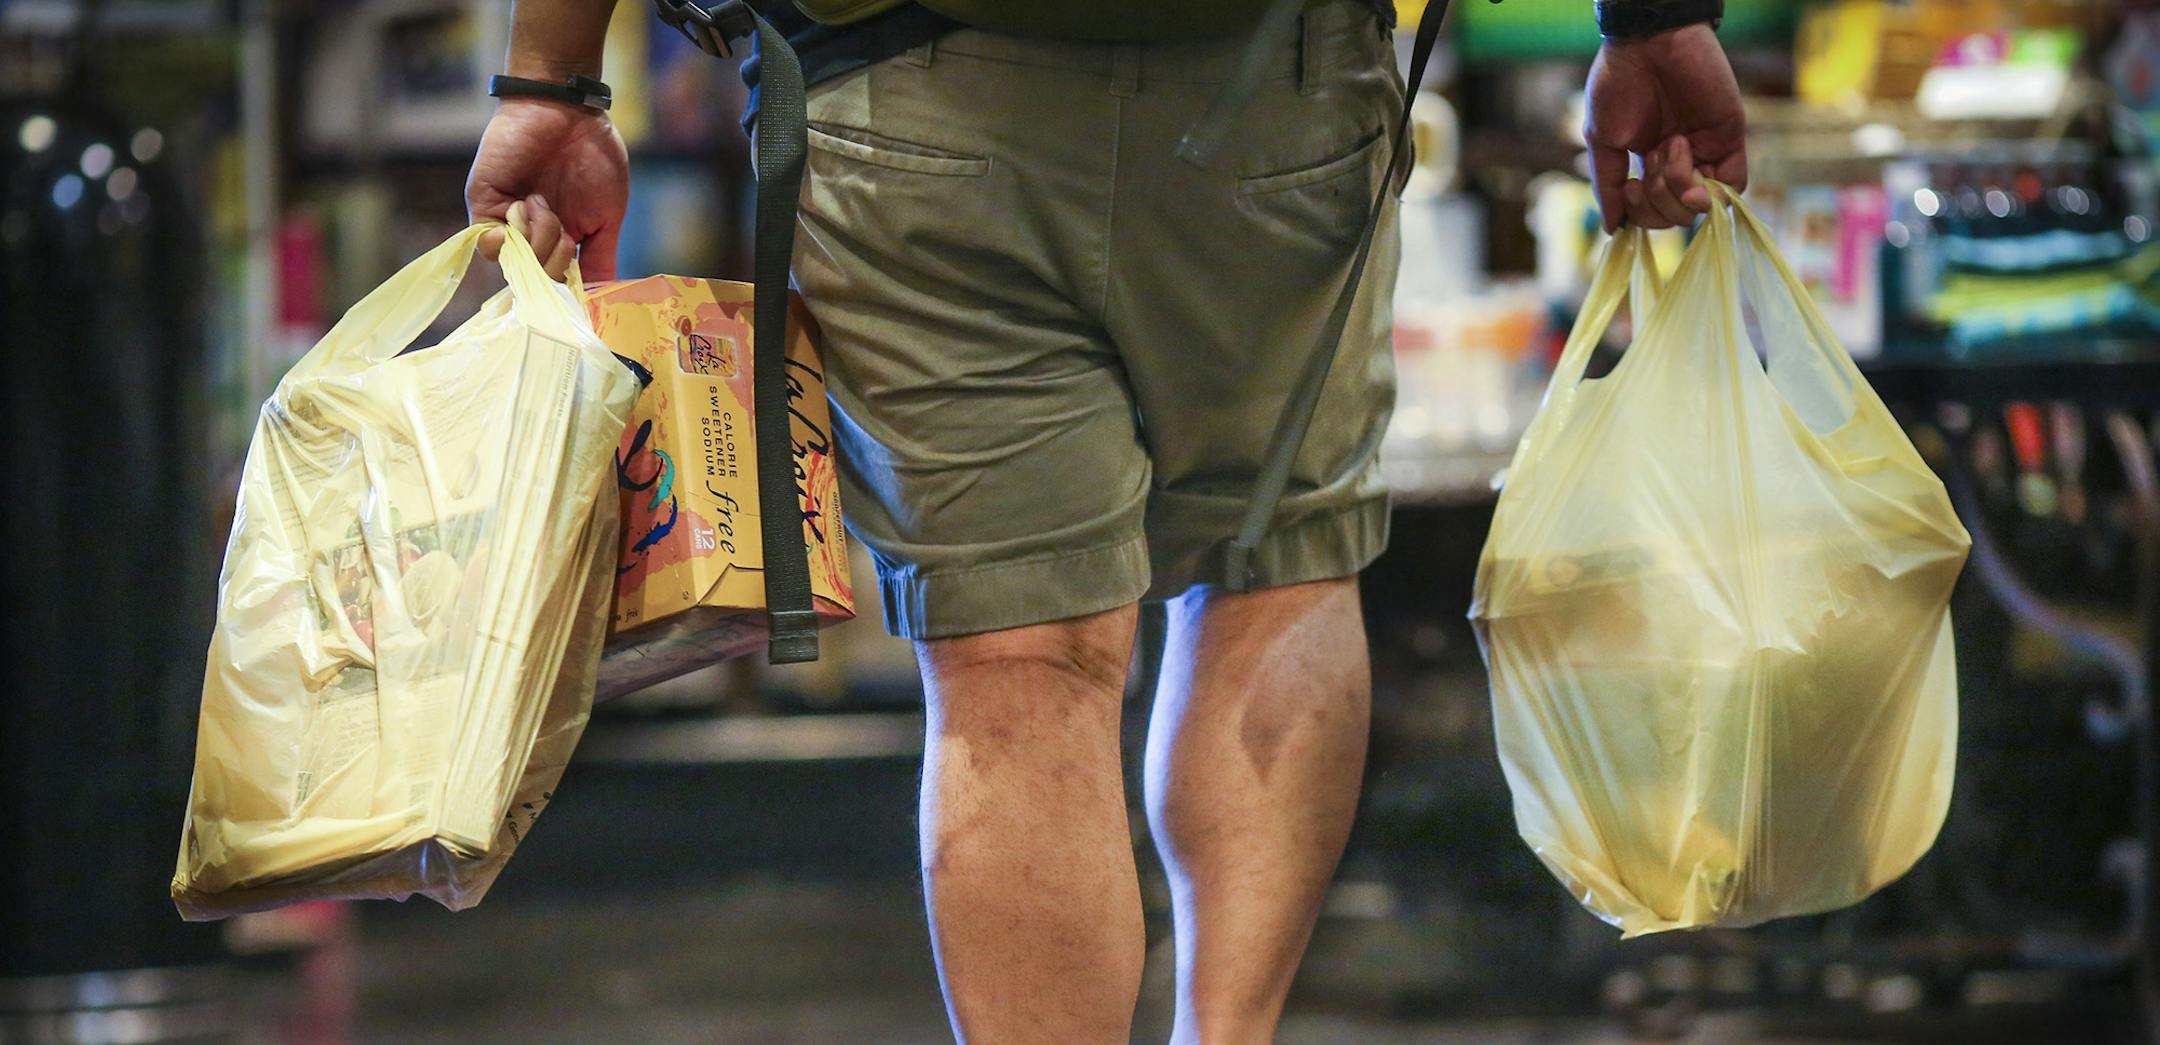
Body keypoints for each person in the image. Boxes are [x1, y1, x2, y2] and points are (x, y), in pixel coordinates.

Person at [466, 1, 1746, 1040]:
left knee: (1015, 660)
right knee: (1272, 568)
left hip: (905, 93)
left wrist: (552, 79)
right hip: (1273, 88)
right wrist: (1651, 19)